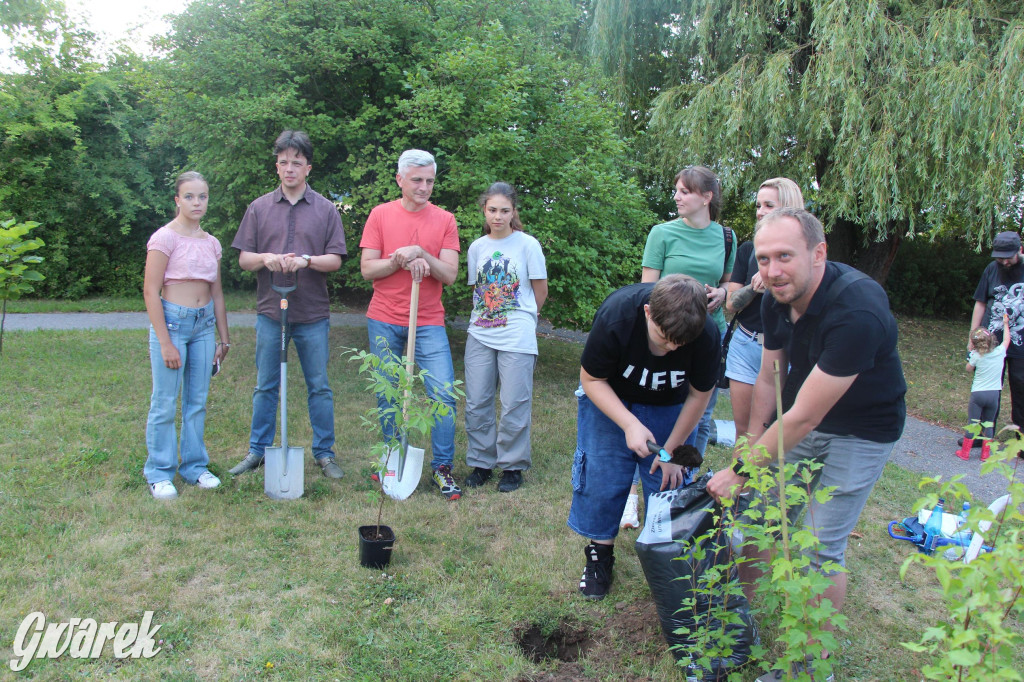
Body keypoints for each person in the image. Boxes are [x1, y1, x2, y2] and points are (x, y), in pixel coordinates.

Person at [706, 207, 906, 681]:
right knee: (757, 527)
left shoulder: (857, 309)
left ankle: (810, 669)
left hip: (862, 430)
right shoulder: (776, 298)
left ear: (818, 253)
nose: (772, 270)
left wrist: (740, 472)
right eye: (763, 258)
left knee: (818, 549)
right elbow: (771, 377)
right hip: (799, 422)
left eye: (784, 256)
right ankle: (738, 633)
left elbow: (805, 415)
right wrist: (751, 441)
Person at [569, 274, 720, 600]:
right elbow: (592, 379)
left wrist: (671, 452)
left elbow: (699, 396)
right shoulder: (618, 314)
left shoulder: (706, 334)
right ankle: (600, 556)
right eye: (664, 339)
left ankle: (668, 560)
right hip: (610, 399)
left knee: (669, 485)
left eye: (679, 345)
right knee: (604, 477)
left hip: (670, 408)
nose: (670, 350)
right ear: (649, 313)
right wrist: (628, 423)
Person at [228, 130, 347, 479]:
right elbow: (244, 260)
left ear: (308, 167)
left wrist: (307, 260)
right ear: (277, 166)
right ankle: (257, 451)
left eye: (297, 162)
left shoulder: (325, 210)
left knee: (319, 386)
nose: (290, 168)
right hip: (270, 311)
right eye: (284, 162)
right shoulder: (259, 208)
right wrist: (266, 258)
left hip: (312, 314)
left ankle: (325, 454)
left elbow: (336, 260)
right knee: (265, 385)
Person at [618, 166, 732, 529]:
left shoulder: (726, 238)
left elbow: (729, 284)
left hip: (706, 338)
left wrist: (722, 293)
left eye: (685, 191)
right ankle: (632, 498)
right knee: (652, 415)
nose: (677, 197)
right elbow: (645, 291)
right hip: (666, 339)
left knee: (700, 417)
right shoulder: (662, 233)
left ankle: (680, 490)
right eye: (677, 190)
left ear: (707, 197)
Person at [359, 149, 462, 500]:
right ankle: (390, 456)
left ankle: (443, 468)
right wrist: (399, 260)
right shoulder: (380, 215)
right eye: (417, 180)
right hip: (384, 317)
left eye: (430, 180)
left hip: (429, 320)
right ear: (400, 179)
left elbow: (448, 274)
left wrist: (421, 253)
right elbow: (368, 269)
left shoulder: (445, 220)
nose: (424, 187)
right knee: (387, 391)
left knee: (443, 394)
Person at [143, 171, 230, 499]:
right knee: (165, 402)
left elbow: (218, 293)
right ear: (177, 200)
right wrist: (165, 341)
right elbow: (151, 291)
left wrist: (224, 339)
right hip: (174, 324)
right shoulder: (165, 238)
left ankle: (194, 466)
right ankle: (159, 471)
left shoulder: (212, 243)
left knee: (196, 401)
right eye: (190, 196)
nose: (197, 202)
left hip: (203, 326)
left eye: (203, 196)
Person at [463, 182, 547, 493]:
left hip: (517, 336)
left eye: (504, 211)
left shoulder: (528, 245)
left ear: (514, 212)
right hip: (480, 333)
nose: (498, 216)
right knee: (477, 402)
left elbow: (540, 290)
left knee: (514, 403)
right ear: (484, 211)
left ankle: (512, 466)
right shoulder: (477, 247)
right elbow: (478, 291)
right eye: (492, 210)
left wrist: (524, 318)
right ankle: (481, 462)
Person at [725, 178, 804, 440]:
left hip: (785, 349)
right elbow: (730, 302)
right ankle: (740, 481)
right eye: (758, 205)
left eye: (769, 205)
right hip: (746, 344)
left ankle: (771, 483)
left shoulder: (803, 256)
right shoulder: (748, 250)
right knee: (744, 433)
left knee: (778, 434)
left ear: (789, 209)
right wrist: (753, 287)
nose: (760, 211)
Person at [968, 230, 1024, 447]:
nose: (1004, 261)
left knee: (1021, 390)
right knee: (987, 389)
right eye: (1000, 257)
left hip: (1020, 345)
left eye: (1007, 257)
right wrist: (972, 336)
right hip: (990, 344)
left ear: (1019, 250)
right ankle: (980, 437)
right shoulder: (992, 269)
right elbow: (981, 303)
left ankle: (1020, 442)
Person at [957, 314, 1010, 461]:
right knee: (989, 424)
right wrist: (1005, 323)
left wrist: (970, 355)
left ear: (974, 344)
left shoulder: (976, 356)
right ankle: (985, 455)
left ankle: (965, 452)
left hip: (978, 394)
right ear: (992, 340)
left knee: (972, 423)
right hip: (994, 395)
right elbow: (1007, 340)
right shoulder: (1000, 352)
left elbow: (968, 368)